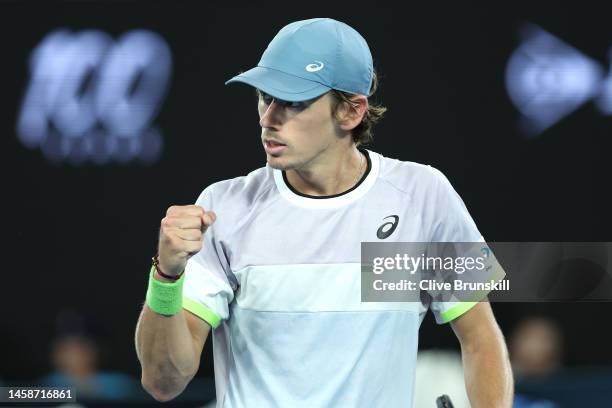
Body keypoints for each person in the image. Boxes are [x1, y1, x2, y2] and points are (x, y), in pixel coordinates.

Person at [135, 18, 513, 407]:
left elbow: (481, 339)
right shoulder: (222, 207)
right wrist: (166, 276)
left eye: (294, 102)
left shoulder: (423, 196)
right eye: (266, 97)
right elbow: (164, 382)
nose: (268, 118)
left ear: (351, 112)